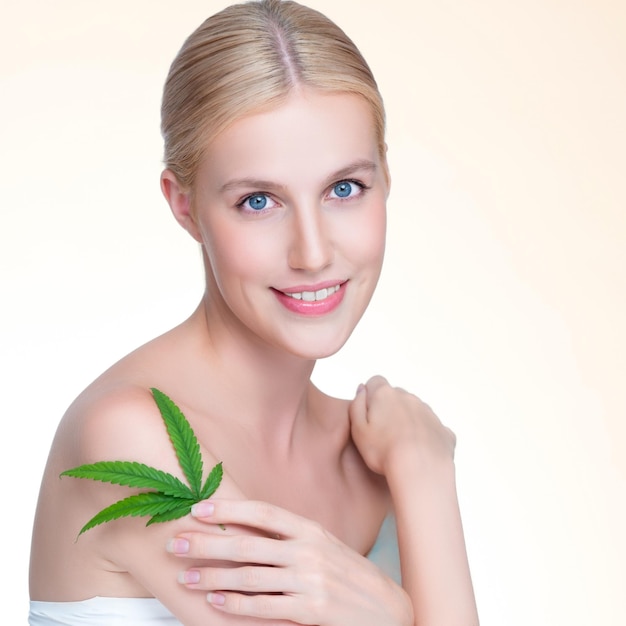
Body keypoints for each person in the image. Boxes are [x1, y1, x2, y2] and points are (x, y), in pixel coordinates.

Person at [29, 1, 479, 624]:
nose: (314, 252)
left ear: (385, 177)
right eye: (259, 200)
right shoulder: (132, 437)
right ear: (183, 205)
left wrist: (425, 471)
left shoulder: (380, 451)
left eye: (344, 189)